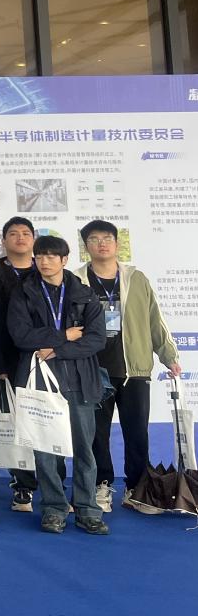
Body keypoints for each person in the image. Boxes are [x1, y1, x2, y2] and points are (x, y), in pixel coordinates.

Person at [74, 219, 182, 512]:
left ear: (117, 243)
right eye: (94, 239)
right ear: (86, 246)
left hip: (133, 369)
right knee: (96, 434)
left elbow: (154, 319)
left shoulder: (136, 278)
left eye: (107, 238)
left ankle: (137, 488)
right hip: (93, 370)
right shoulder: (76, 280)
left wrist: (169, 355)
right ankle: (102, 485)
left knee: (137, 434)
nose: (101, 244)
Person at [7, 235, 109, 535]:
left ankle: (87, 509)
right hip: (39, 380)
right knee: (45, 450)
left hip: (79, 380)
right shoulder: (23, 293)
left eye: (52, 256)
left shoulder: (85, 295)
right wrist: (64, 335)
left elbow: (96, 339)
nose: (44, 261)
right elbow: (21, 336)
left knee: (84, 450)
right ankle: (53, 508)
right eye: (40, 256)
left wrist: (56, 349)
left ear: (65, 260)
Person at [0, 216, 40, 512]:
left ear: (34, 239)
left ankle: (54, 485)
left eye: (26, 233)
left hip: (46, 359)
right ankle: (23, 485)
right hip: (9, 361)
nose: (20, 238)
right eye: (13, 233)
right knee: (17, 424)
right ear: (4, 241)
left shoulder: (46, 268)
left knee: (45, 421)